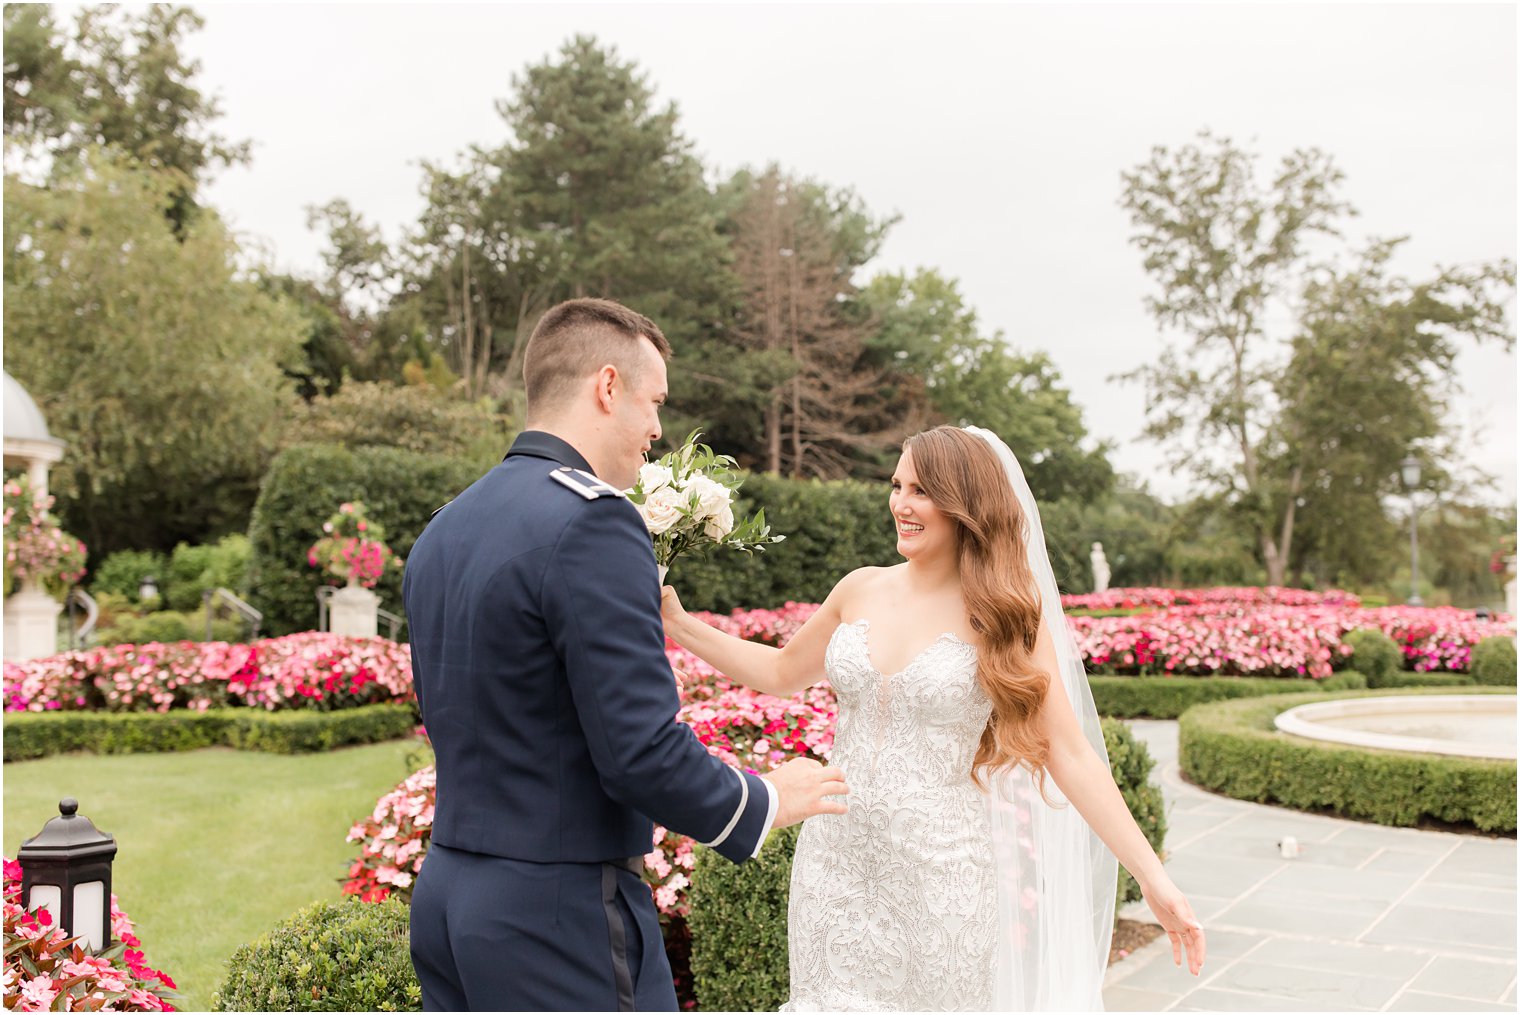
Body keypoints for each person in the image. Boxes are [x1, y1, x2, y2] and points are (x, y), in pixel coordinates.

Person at [661, 424, 1205, 1010]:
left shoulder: (1005, 615)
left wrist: (1152, 876)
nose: (901, 504)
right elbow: (781, 672)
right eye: (897, 485)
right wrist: (679, 621)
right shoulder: (860, 588)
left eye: (921, 490)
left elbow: (1069, 752)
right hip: (834, 865)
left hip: (942, 876)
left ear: (964, 504)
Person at [403, 297, 849, 1012]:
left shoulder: (445, 527)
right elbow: (639, 750)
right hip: (557, 913)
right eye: (654, 401)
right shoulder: (594, 521)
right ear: (608, 387)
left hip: (450, 895)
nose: (658, 430)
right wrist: (767, 799)